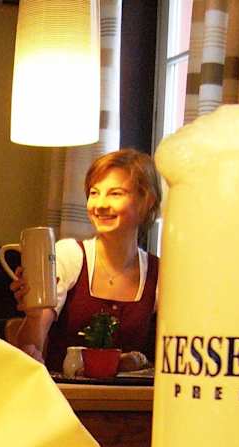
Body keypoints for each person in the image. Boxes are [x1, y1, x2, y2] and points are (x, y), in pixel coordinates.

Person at [10, 149, 162, 368]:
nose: (100, 204)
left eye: (115, 193)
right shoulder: (69, 255)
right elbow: (30, 350)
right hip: (63, 389)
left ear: (147, 201)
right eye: (94, 193)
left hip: (132, 391)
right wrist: (33, 316)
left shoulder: (159, 274)